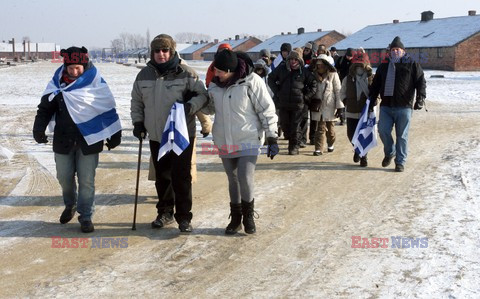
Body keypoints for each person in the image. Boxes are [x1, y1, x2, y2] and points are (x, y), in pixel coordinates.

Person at [33, 46, 122, 233]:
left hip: (89, 141)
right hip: (63, 139)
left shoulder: (96, 83)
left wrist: (114, 133)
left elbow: (107, 109)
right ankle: (70, 204)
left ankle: (86, 215)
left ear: (84, 65)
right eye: (71, 68)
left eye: (78, 68)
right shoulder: (57, 85)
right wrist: (38, 129)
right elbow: (44, 110)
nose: (74, 72)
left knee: (87, 180)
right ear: (65, 66)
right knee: (64, 178)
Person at [130, 34, 208, 232]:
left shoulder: (186, 74)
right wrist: (138, 123)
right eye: (157, 51)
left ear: (172, 52)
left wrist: (191, 106)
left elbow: (203, 95)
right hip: (157, 135)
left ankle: (184, 217)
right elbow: (137, 102)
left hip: (181, 134)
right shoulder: (144, 75)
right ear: (152, 52)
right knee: (162, 176)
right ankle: (165, 212)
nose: (161, 54)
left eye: (165, 50)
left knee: (181, 176)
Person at [202, 49, 278, 235]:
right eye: (215, 70)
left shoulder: (251, 82)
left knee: (244, 176)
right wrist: (196, 100)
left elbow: (266, 109)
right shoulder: (214, 85)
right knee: (233, 178)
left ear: (230, 70)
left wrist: (272, 136)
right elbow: (211, 109)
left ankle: (248, 216)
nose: (216, 74)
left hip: (248, 137)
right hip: (224, 138)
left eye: (220, 71)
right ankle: (236, 218)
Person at [369, 36, 426, 172]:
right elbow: (376, 84)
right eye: (393, 49)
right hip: (386, 106)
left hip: (404, 106)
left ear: (403, 51)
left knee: (402, 135)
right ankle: (390, 152)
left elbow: (421, 82)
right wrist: (371, 99)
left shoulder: (412, 64)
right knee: (382, 130)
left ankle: (400, 162)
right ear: (390, 51)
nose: (395, 52)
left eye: (398, 49)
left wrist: (420, 98)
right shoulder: (384, 66)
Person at [268, 48, 316, 155]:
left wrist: (306, 96)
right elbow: (270, 79)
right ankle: (291, 140)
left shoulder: (304, 71)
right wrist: (277, 92)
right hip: (284, 103)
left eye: (295, 59)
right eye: (291, 59)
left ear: (299, 60)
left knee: (295, 127)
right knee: (285, 126)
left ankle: (294, 147)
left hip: (298, 104)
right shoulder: (281, 69)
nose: (293, 61)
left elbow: (314, 84)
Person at [340, 53, 373, 166]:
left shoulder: (371, 78)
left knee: (364, 135)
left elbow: (377, 92)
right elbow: (342, 92)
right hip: (351, 112)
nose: (359, 67)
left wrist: (374, 102)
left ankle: (364, 156)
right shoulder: (347, 78)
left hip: (366, 112)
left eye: (361, 64)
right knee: (351, 134)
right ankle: (357, 149)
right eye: (356, 65)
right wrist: (346, 102)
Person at [309, 54, 343, 156]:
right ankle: (318, 149)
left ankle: (330, 143)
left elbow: (338, 91)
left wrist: (340, 107)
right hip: (318, 105)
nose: (319, 67)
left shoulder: (333, 75)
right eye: (318, 64)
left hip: (330, 105)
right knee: (320, 128)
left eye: (321, 64)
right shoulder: (313, 75)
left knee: (331, 130)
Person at [336, 48, 354, 125]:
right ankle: (342, 118)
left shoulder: (355, 61)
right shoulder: (341, 59)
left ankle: (351, 117)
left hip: (352, 83)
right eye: (348, 56)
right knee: (342, 99)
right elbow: (335, 68)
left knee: (350, 100)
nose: (349, 58)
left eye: (350, 56)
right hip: (341, 82)